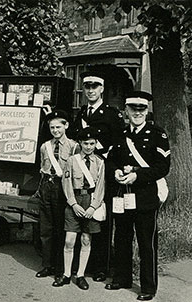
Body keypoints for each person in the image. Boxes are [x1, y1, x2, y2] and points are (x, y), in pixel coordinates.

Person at [105, 91, 170, 301]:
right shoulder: (121, 134)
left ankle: (148, 287)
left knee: (146, 243)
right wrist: (114, 171)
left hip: (144, 197)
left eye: (141, 109)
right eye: (133, 109)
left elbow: (162, 168)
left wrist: (137, 175)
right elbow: (111, 159)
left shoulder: (157, 134)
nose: (137, 113)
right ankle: (122, 278)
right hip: (122, 196)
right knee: (122, 239)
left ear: (147, 111)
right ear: (126, 110)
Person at [71, 71, 124, 282]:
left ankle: (101, 266)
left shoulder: (111, 114)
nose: (91, 91)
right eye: (87, 87)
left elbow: (119, 144)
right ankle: (84, 264)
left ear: (102, 89)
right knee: (82, 218)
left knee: (101, 219)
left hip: (102, 173)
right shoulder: (82, 112)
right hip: (82, 174)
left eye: (95, 87)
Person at [53, 127, 105, 290]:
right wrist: (73, 203)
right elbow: (66, 183)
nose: (88, 147)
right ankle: (67, 274)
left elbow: (100, 187)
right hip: (75, 201)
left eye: (92, 143)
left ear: (96, 143)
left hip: (90, 201)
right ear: (80, 143)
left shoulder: (100, 162)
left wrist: (93, 207)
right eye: (85, 143)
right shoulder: (72, 160)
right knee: (69, 240)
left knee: (86, 239)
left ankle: (80, 274)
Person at [35, 110, 79, 279]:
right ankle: (47, 265)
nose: (55, 130)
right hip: (47, 186)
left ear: (66, 126)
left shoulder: (74, 147)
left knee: (62, 229)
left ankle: (61, 268)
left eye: (58, 127)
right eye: (52, 127)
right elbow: (42, 169)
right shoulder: (45, 146)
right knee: (46, 228)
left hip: (63, 188)